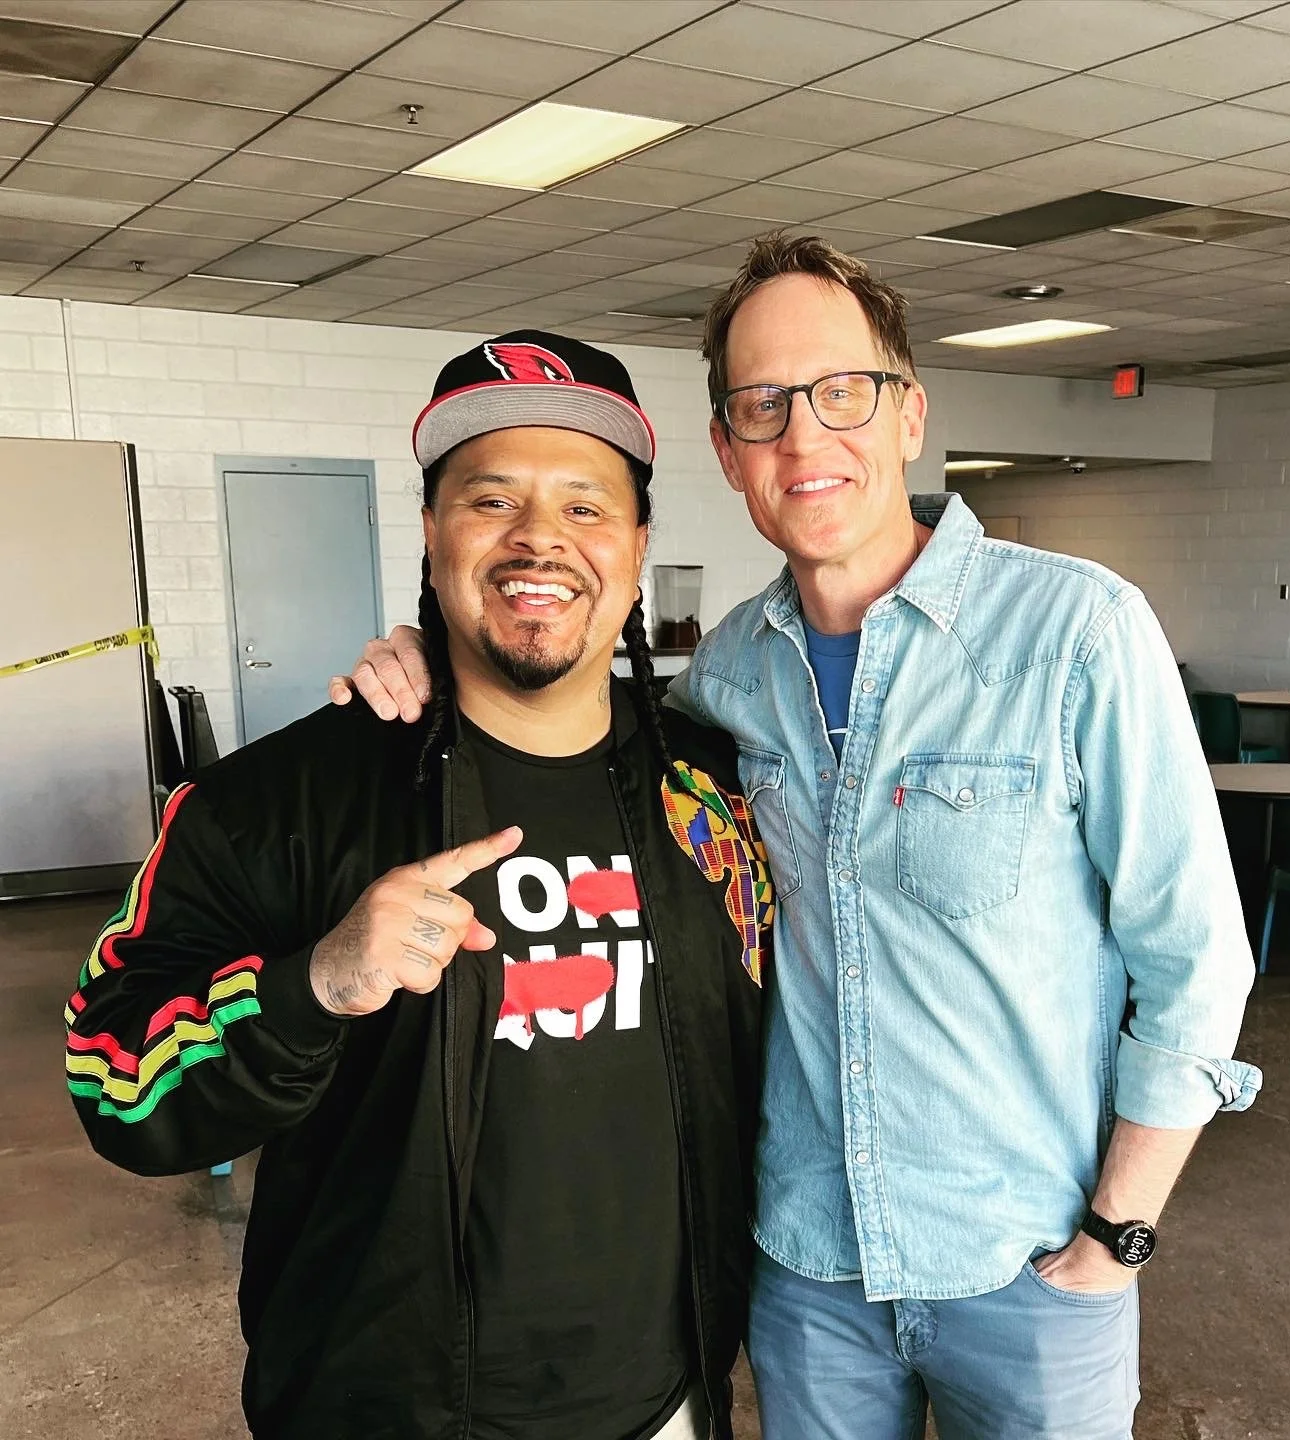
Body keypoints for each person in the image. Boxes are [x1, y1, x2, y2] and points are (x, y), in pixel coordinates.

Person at [338, 236, 1262, 1440]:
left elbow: (1196, 959)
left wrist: (1114, 1235)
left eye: (843, 392)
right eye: (762, 404)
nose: (803, 436)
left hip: (1024, 1263)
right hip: (809, 1268)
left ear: (909, 413)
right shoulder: (729, 673)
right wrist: (434, 654)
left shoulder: (1077, 633)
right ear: (728, 450)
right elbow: (563, 714)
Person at [66, 331, 774, 1440]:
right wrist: (315, 984)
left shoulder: (715, 790)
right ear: (432, 533)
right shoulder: (276, 803)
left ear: (638, 546)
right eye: (490, 500)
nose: (539, 537)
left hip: (669, 1399)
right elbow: (114, 1081)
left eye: (585, 505)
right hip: (385, 1409)